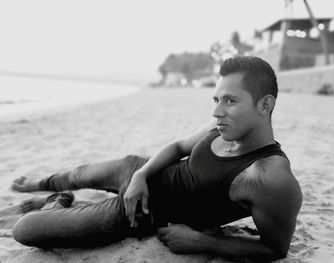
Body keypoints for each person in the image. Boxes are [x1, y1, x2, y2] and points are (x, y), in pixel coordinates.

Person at [11, 56, 302, 262]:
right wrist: (140, 175)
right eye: (216, 100)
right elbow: (177, 147)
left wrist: (202, 242)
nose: (216, 112)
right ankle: (40, 184)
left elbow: (275, 249)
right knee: (78, 175)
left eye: (230, 101)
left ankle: (58, 201)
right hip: (141, 171)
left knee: (25, 229)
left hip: (141, 212)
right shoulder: (221, 127)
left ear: (265, 105)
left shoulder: (269, 177)